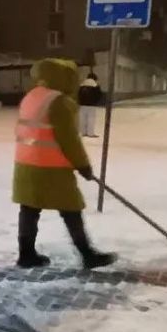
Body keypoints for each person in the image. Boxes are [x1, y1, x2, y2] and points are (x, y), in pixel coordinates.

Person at [13, 58, 116, 270]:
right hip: (52, 168)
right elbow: (69, 139)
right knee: (71, 209)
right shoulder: (58, 101)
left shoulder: (31, 96)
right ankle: (87, 254)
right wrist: (83, 165)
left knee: (29, 210)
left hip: (25, 164)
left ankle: (26, 254)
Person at [77, 72, 102, 138]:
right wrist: (96, 102)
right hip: (92, 105)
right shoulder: (96, 85)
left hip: (82, 105)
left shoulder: (82, 85)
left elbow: (78, 94)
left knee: (82, 118)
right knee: (91, 119)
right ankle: (90, 133)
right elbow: (99, 95)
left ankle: (83, 132)